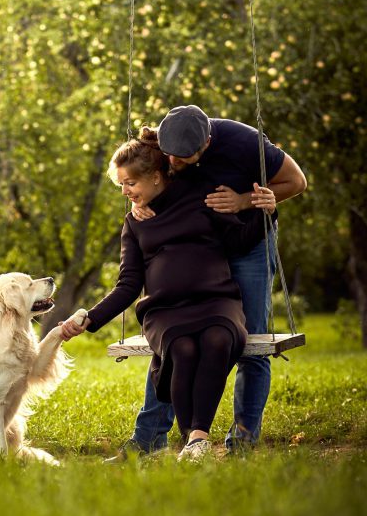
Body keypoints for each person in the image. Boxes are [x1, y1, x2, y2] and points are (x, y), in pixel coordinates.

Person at [99, 105, 307, 460]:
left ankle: (242, 439)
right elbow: (142, 174)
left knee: (251, 337)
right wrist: (143, 206)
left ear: (207, 144)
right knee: (176, 342)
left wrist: (245, 201)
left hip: (247, 237)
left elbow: (297, 182)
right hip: (198, 234)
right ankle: (151, 436)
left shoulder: (244, 142)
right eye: (170, 157)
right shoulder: (165, 146)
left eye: (184, 159)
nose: (175, 164)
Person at [60, 126, 277, 462]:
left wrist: (266, 210)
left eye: (129, 183)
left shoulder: (199, 196)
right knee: (182, 348)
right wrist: (90, 318)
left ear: (156, 176)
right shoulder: (135, 222)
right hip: (165, 310)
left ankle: (197, 440)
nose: (125, 192)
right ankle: (185, 440)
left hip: (216, 299)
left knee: (219, 339)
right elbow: (128, 284)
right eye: (121, 186)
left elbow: (238, 241)